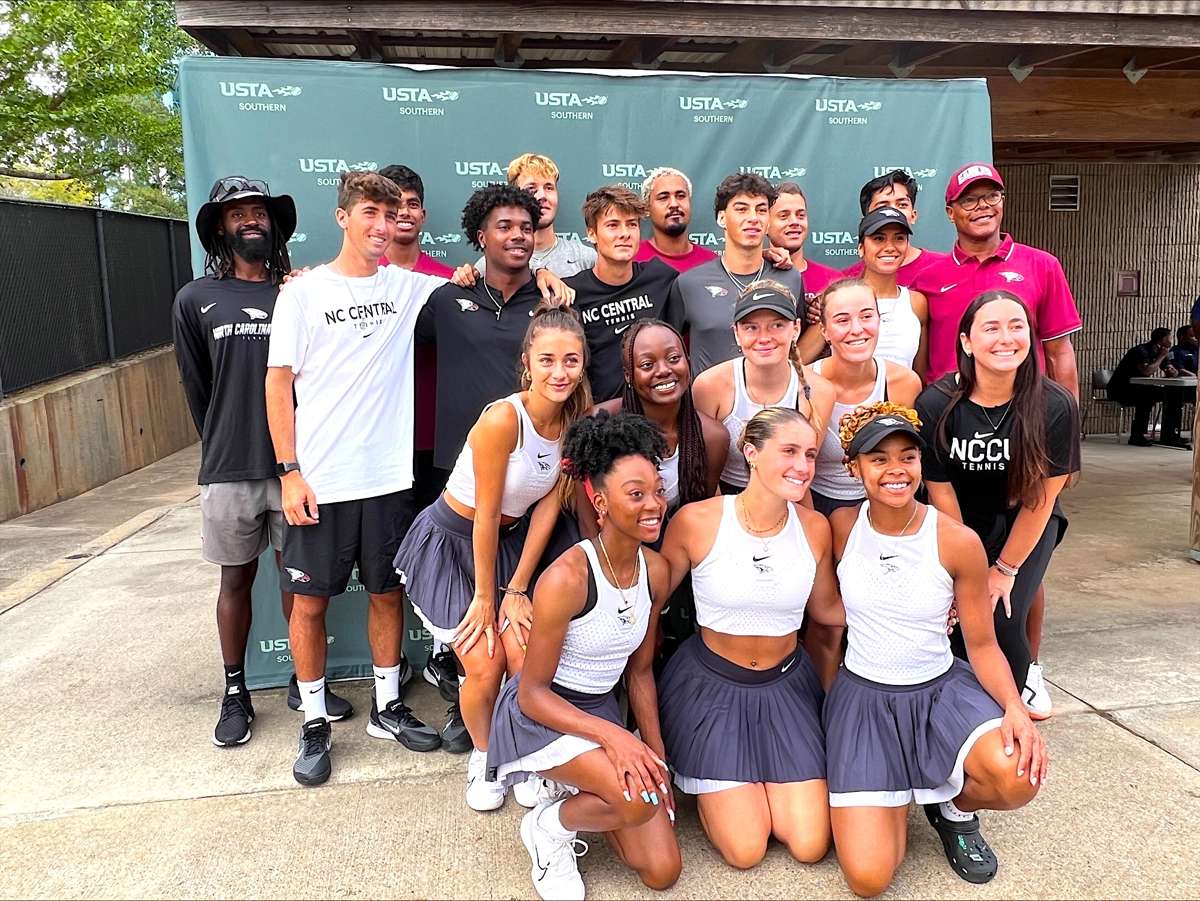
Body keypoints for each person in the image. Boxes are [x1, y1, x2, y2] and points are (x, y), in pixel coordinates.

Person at [265, 172, 449, 785]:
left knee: (387, 593)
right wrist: (290, 472)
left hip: (389, 479)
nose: (382, 224)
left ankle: (387, 706)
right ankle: (315, 719)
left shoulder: (411, 286)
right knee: (310, 603)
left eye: (391, 213)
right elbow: (278, 384)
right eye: (369, 211)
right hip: (322, 479)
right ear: (342, 216)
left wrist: (548, 279)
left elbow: (478, 283)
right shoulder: (302, 293)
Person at [826, 403, 1046, 894]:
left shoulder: (956, 541)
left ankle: (952, 807)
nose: (896, 470)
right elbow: (824, 621)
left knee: (1018, 778)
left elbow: (982, 644)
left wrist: (1014, 707)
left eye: (907, 457)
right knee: (868, 878)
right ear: (853, 468)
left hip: (940, 690)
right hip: (864, 697)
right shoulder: (840, 526)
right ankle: (896, 792)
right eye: (878, 459)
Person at [174, 176, 356, 746]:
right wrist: (225, 437)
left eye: (259, 212)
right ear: (220, 229)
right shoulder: (195, 299)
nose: (250, 220)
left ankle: (306, 686)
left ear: (273, 225)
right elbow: (197, 386)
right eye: (238, 214)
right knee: (235, 579)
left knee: (297, 580)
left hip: (298, 467)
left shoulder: (300, 292)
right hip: (230, 467)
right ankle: (236, 692)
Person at [394, 308, 593, 813]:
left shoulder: (576, 420)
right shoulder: (503, 418)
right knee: (484, 664)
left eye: (571, 360)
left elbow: (548, 506)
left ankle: (519, 755)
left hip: (506, 546)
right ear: (527, 362)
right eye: (547, 360)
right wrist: (487, 597)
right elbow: (485, 514)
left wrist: (518, 588)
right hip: (452, 543)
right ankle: (486, 758)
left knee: (524, 656)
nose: (559, 372)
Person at [487, 411, 681, 900]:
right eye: (636, 494)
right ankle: (547, 828)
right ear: (600, 503)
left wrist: (655, 754)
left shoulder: (656, 571)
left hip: (599, 711)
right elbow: (531, 695)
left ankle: (581, 783)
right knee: (637, 803)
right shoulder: (567, 578)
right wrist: (615, 738)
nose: (653, 505)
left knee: (661, 870)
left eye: (657, 491)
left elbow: (640, 674)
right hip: (545, 715)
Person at [657, 406, 846, 870]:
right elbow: (650, 602)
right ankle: (723, 780)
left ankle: (759, 780)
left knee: (809, 845)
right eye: (789, 451)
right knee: (746, 850)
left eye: (810, 454)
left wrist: (916, 608)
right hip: (712, 689)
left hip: (786, 688)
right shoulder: (697, 521)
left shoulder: (814, 527)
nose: (803, 466)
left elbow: (827, 612)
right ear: (751, 453)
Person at [915, 291, 1081, 717]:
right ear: (967, 342)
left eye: (1016, 326)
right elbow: (940, 490)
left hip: (1026, 520)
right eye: (991, 328)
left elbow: (1041, 500)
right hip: (960, 519)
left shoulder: (1054, 405)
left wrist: (1003, 571)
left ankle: (1017, 693)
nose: (1006, 338)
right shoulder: (936, 403)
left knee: (1000, 615)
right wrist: (967, 568)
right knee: (955, 615)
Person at [912, 163, 1082, 395]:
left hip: (1023, 405)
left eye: (992, 196)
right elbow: (917, 358)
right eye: (969, 200)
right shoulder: (926, 278)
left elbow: (1059, 352)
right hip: (950, 406)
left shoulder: (1043, 266)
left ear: (1002, 201)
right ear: (951, 213)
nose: (983, 206)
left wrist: (1068, 412)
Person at [665, 173, 823, 375]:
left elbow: (796, 345)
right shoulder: (689, 284)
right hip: (709, 395)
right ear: (722, 218)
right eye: (741, 209)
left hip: (775, 395)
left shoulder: (790, 277)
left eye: (761, 210)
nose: (753, 218)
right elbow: (668, 350)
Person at [692, 281, 834, 496]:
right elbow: (702, 470)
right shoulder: (709, 386)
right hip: (722, 497)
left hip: (787, 495)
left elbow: (802, 470)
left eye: (777, 325)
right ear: (737, 333)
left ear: (795, 329)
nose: (764, 338)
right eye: (751, 327)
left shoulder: (820, 392)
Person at [809, 278, 922, 517]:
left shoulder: (903, 383)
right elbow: (794, 467)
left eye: (867, 316)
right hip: (813, 503)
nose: (857, 329)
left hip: (883, 505)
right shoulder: (804, 383)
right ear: (824, 331)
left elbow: (908, 463)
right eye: (842, 320)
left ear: (879, 321)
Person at [566, 185, 679, 401]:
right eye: (613, 225)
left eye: (632, 224)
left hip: (656, 408)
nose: (625, 234)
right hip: (599, 413)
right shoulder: (572, 293)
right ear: (592, 233)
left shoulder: (661, 277)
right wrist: (540, 272)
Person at [475, 152, 596, 278]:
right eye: (531, 189)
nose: (542, 196)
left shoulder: (586, 259)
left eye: (549, 188)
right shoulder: (489, 265)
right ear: (516, 197)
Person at [852, 207, 930, 376]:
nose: (890, 247)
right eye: (879, 238)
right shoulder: (840, 299)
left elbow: (919, 376)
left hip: (904, 394)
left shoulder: (917, 303)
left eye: (899, 238)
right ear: (861, 248)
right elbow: (801, 362)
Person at [842, 169, 947, 286]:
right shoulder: (845, 282)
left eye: (902, 205)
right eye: (882, 206)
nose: (893, 211)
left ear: (913, 215)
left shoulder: (945, 269)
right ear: (866, 220)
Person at [767, 181, 844, 310]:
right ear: (765, 224)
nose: (794, 222)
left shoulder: (834, 281)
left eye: (800, 215)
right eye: (784, 216)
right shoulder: (751, 276)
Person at [1108, 327, 1190, 448]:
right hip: (1121, 389)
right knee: (1147, 396)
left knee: (1172, 394)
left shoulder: (1161, 351)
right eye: (1170, 337)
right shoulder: (1141, 351)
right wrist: (1161, 357)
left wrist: (1172, 370)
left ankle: (1170, 434)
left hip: (1139, 388)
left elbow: (1172, 371)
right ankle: (1137, 435)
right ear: (1162, 339)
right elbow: (1146, 371)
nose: (1171, 340)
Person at [634, 166, 718, 272]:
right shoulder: (632, 260)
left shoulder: (713, 264)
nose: (674, 204)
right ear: (647, 208)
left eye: (681, 196)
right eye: (663, 198)